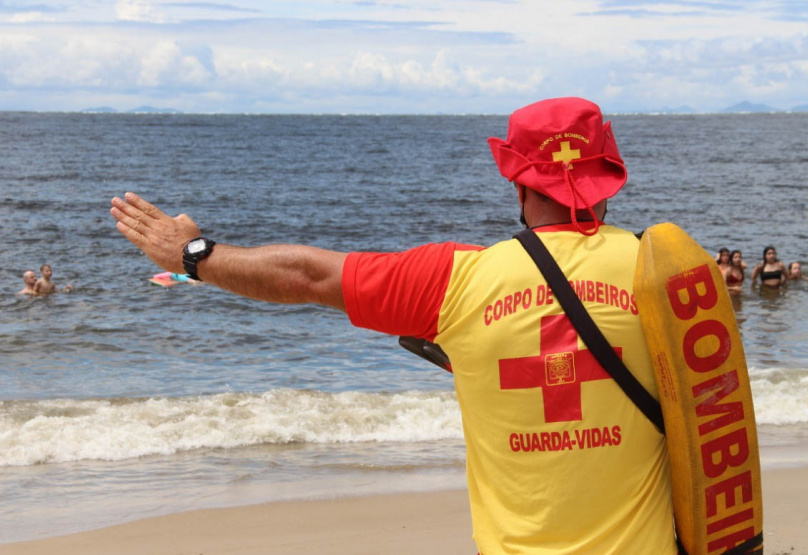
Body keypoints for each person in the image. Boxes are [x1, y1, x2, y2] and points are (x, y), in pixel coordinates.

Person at [110, 97, 676, 554]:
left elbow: (308, 277)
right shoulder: (669, 274)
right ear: (608, 176)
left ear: (518, 183)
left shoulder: (455, 280)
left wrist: (193, 254)